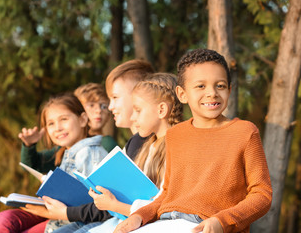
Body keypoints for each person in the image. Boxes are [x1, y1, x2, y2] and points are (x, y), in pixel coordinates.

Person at [114, 49, 273, 233]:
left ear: (229, 90)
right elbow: (167, 193)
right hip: (164, 222)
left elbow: (262, 195)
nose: (212, 93)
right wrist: (139, 216)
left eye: (220, 86)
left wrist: (221, 222)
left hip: (205, 226)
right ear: (182, 94)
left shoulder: (245, 132)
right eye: (200, 86)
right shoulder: (175, 135)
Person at [29, 59, 155, 233]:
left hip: (107, 220)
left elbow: (110, 205)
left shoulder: (100, 148)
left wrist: (66, 212)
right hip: (92, 217)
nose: (108, 108)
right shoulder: (132, 143)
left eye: (114, 99)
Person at [0, 93, 108, 233]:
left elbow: (96, 204)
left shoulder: (89, 153)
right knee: (6, 218)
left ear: (83, 119)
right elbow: (32, 163)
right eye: (51, 124)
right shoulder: (66, 151)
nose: (58, 128)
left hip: (73, 221)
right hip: (57, 215)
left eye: (64, 119)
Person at [83, 72, 183, 233]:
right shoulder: (148, 146)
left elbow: (164, 206)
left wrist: (114, 205)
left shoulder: (177, 147)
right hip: (130, 218)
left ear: (161, 109)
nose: (133, 117)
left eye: (138, 110)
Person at [74, 82, 118, 152]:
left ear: (109, 115)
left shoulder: (107, 143)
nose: (99, 110)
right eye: (91, 105)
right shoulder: (68, 143)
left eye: (103, 106)